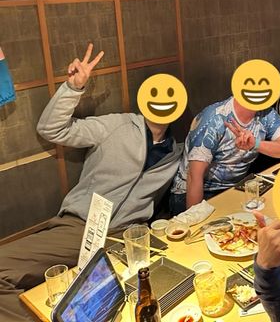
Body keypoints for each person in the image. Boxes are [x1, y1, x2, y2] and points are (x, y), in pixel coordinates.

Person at [0, 44, 184, 321]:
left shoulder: (175, 153)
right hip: (80, 228)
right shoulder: (115, 126)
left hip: (127, 238)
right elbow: (52, 129)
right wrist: (73, 88)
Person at [169, 96, 280, 215]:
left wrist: (255, 144)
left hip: (233, 189)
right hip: (193, 193)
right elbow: (194, 176)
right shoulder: (215, 117)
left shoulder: (267, 114)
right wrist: (194, 218)